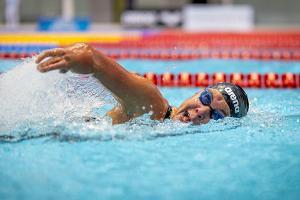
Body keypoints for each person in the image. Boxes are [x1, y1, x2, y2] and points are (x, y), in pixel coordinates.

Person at [36, 43, 249, 125]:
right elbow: (94, 59)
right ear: (197, 93)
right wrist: (85, 60)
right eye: (206, 99)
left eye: (217, 115)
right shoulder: (152, 105)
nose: (203, 111)